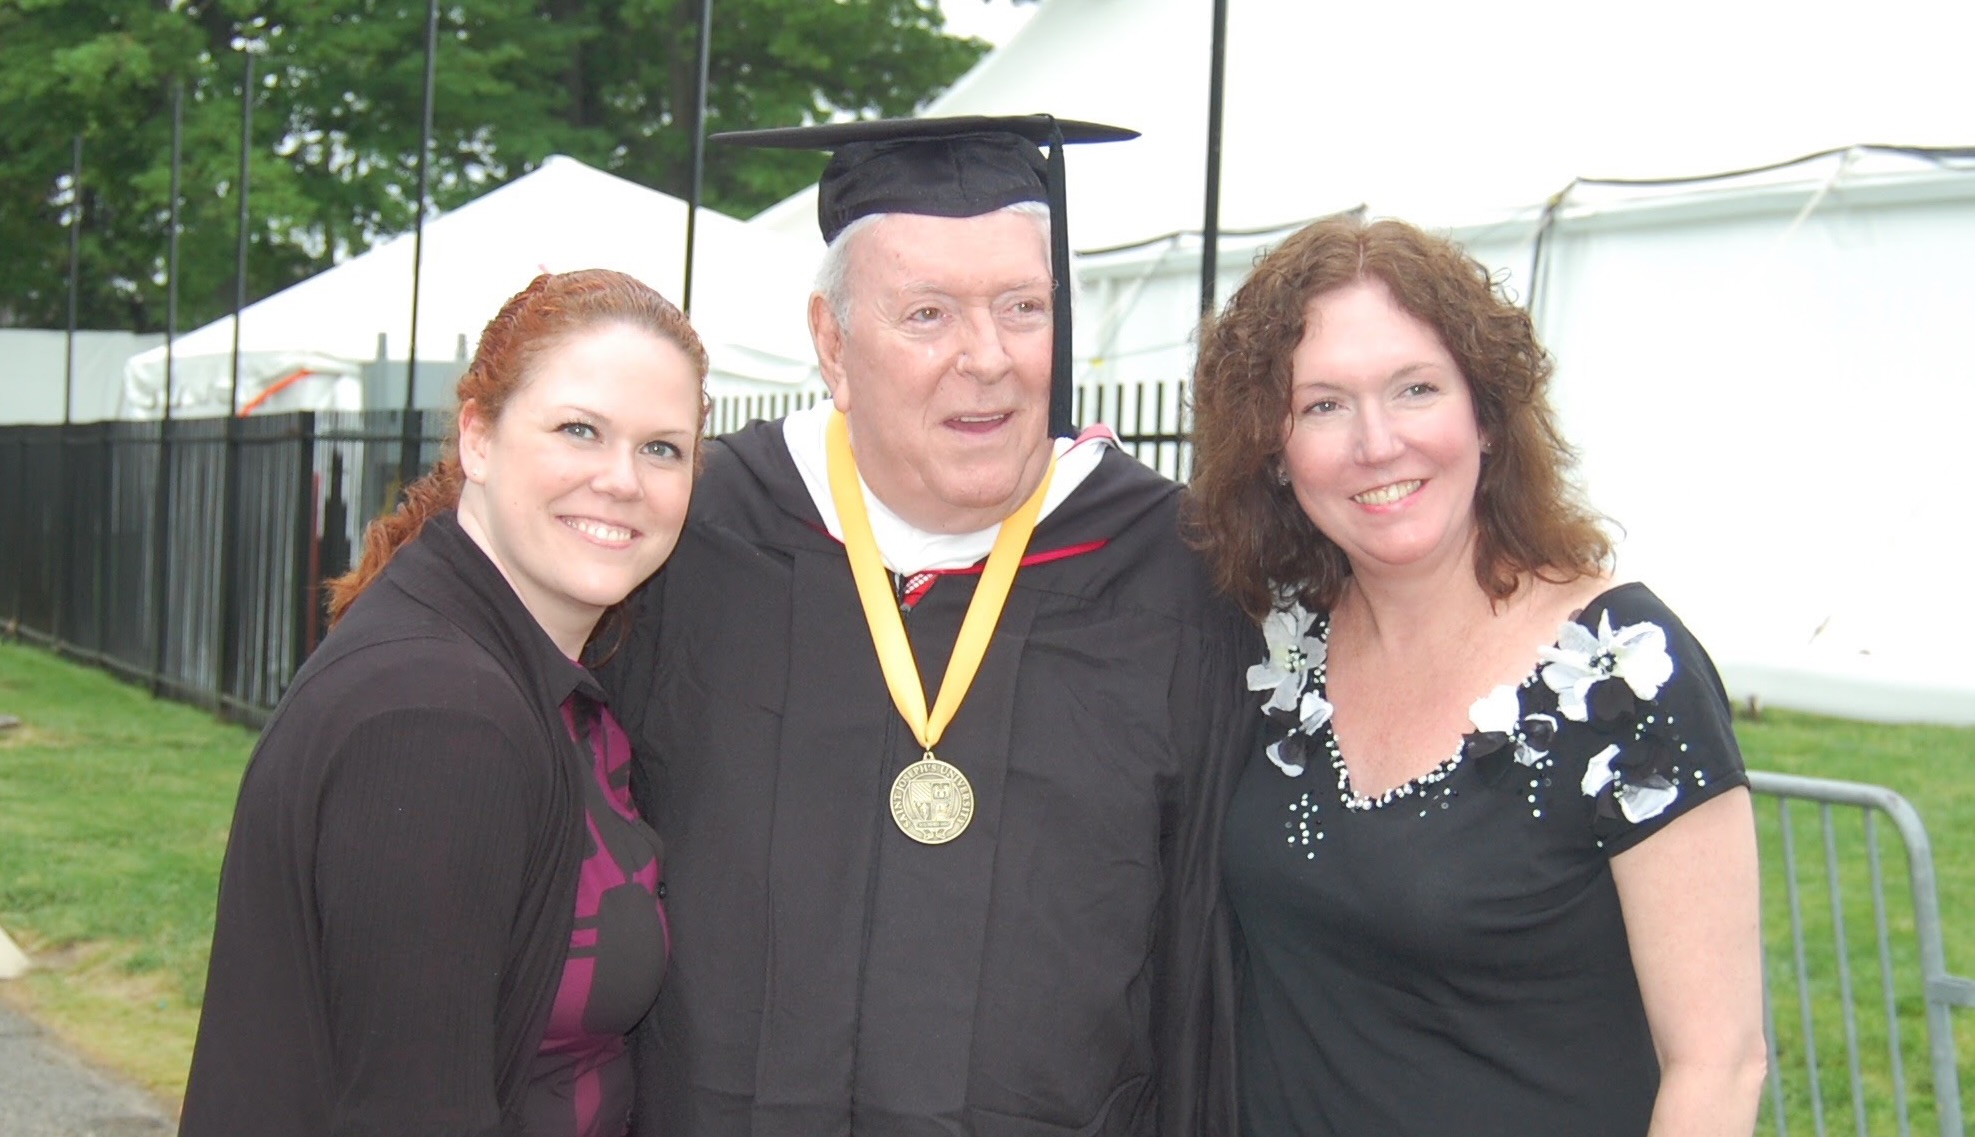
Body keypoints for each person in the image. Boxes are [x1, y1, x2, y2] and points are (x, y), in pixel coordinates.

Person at [599, 116, 1255, 1136]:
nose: (985, 358)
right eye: (927, 314)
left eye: (1023, 308)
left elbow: (1214, 956)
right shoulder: (696, 539)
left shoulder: (1177, 575)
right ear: (831, 341)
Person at [1187, 216, 1767, 1136]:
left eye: (1415, 389)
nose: (1376, 444)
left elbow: (1718, 1064)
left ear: (1486, 416)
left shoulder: (1621, 668)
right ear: (1272, 447)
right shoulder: (1277, 654)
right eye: (1323, 404)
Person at [180, 269, 708, 1137]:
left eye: (662, 448)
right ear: (478, 437)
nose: (622, 480)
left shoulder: (522, 672)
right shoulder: (438, 719)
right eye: (579, 429)